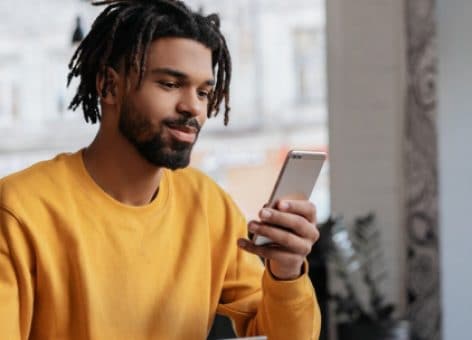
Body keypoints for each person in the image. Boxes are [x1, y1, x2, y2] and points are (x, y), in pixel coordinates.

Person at [0, 1, 321, 339]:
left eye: (203, 92)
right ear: (109, 86)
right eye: (169, 84)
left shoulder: (208, 205)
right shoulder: (20, 210)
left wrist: (286, 272)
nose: (193, 107)